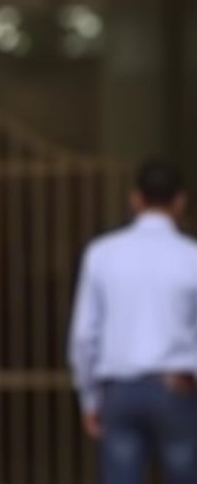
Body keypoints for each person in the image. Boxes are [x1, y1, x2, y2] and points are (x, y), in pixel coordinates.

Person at [68, 157, 197, 484]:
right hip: (177, 387)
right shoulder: (191, 256)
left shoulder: (102, 253)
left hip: (119, 389)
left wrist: (89, 397)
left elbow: (84, 336)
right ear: (180, 201)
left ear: (135, 199)